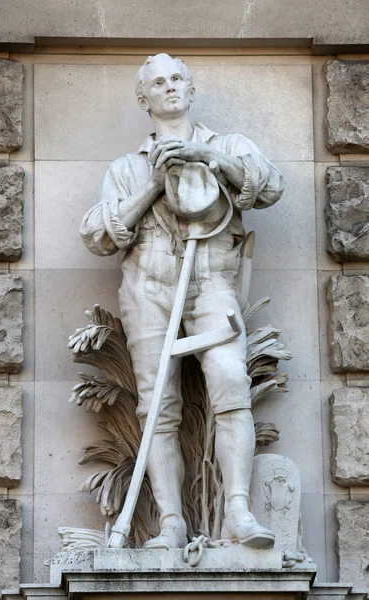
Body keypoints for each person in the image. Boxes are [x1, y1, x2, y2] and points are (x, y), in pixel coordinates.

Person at [80, 53, 284, 550]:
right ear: (143, 98)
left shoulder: (229, 145)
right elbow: (97, 234)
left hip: (213, 279)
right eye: (157, 82)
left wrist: (210, 161)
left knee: (231, 380)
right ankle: (171, 521)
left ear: (190, 90)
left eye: (177, 79)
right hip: (149, 284)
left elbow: (271, 185)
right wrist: (155, 180)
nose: (169, 87)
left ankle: (237, 511)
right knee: (157, 405)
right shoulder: (127, 168)